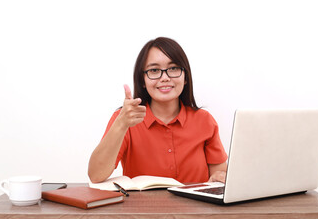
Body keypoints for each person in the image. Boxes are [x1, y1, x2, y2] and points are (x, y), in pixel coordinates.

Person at [88, 37, 228, 183]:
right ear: (142, 80)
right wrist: (121, 124)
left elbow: (219, 175)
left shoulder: (204, 120)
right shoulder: (125, 119)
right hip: (143, 206)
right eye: (154, 70)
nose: (165, 77)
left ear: (185, 77)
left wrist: (221, 178)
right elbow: (96, 175)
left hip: (195, 205)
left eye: (173, 68)